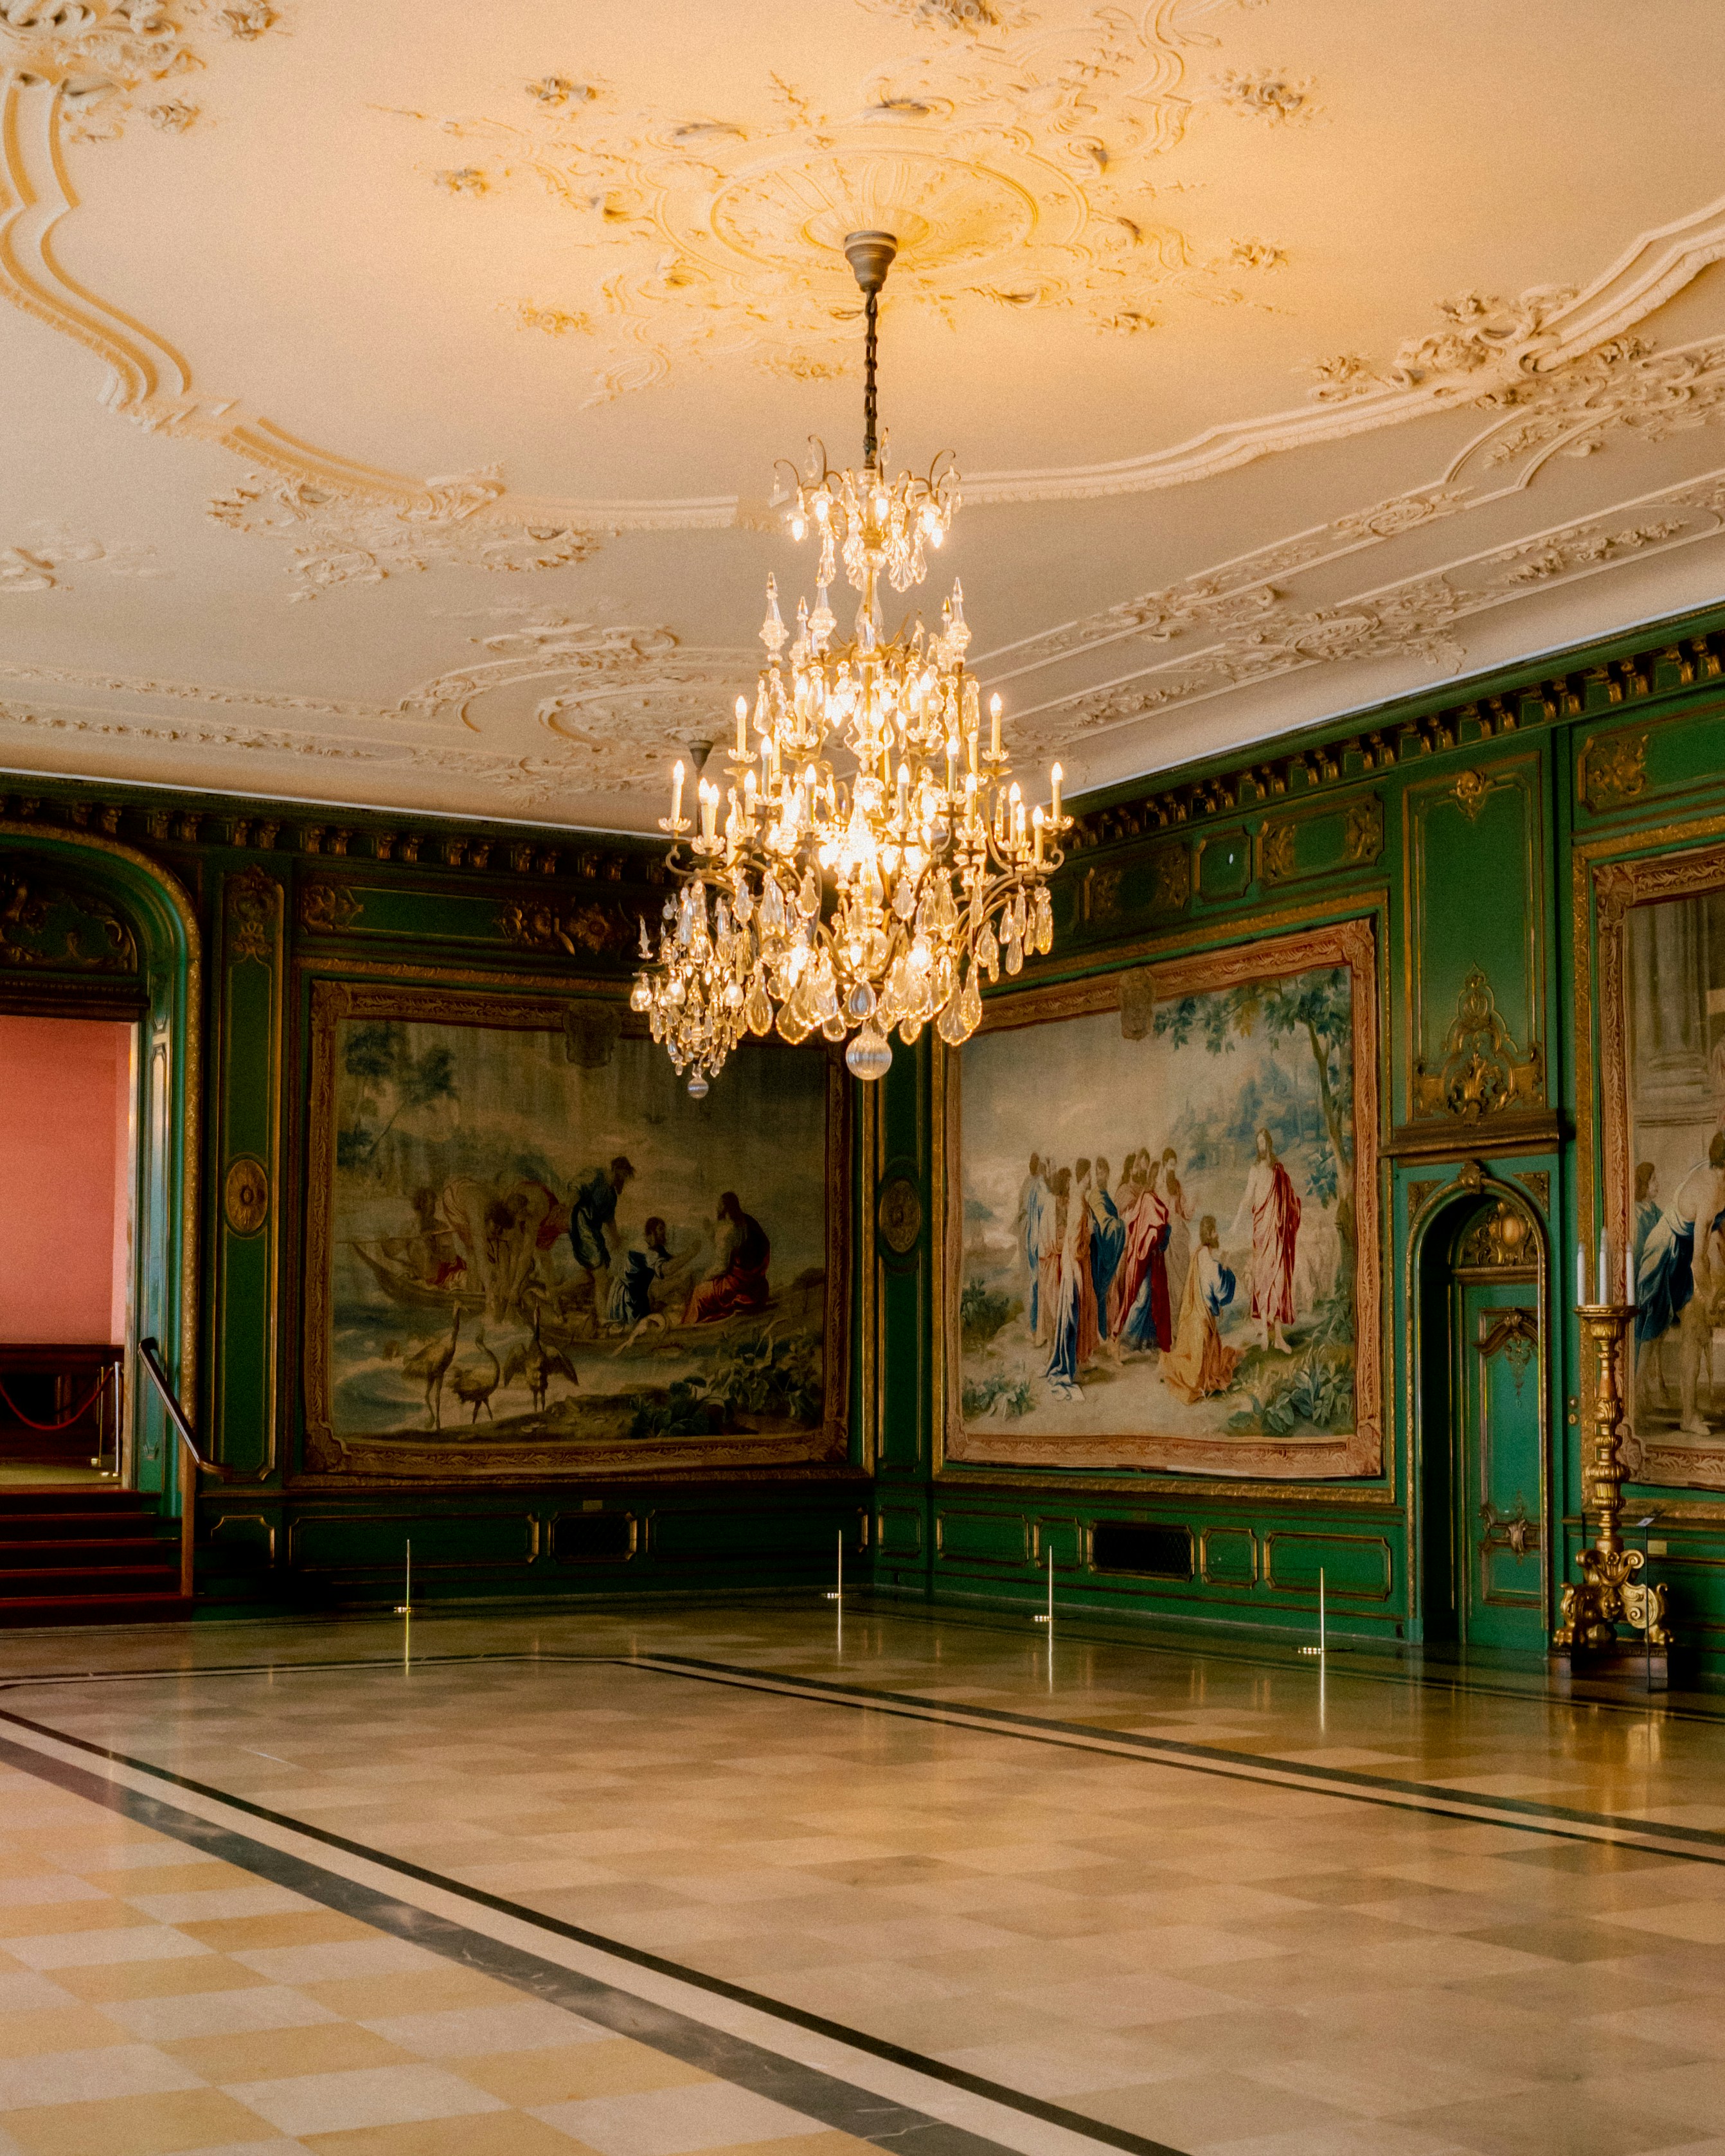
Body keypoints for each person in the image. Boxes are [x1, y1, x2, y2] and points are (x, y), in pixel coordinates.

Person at [1636, 1136, 1725, 1433]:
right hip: (1665, 1250)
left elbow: (1720, 1237)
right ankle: (1634, 1404)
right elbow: (1699, 1260)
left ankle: (1688, 1415)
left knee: (1694, 1330)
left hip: (1684, 1250)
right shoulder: (1711, 1191)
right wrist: (1711, 1298)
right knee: (1651, 1330)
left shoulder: (1720, 1181)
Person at [1230, 1127, 1302, 1353]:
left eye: (1264, 1142)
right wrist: (1236, 1222)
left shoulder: (1278, 1171)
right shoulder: (1254, 1170)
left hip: (1277, 1232)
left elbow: (1290, 1198)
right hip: (1261, 1231)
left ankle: (1278, 1337)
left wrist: (1291, 1211)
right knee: (1262, 1280)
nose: (1261, 1146)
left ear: (1268, 1144)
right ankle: (1263, 1329)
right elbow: (1247, 1197)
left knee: (1278, 1281)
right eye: (1258, 1143)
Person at [1164, 1215, 1242, 1405]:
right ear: (1210, 1234)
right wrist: (1226, 1269)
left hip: (1194, 1318)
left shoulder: (1198, 1254)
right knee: (1197, 1376)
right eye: (1215, 1231)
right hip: (1201, 1323)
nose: (1218, 1235)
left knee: (1206, 1362)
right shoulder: (1211, 1264)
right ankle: (1177, 1368)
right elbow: (1221, 1292)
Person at [1113, 1157, 1172, 1354]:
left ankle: (1148, 1340)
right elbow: (1147, 1231)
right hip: (1143, 1257)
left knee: (1154, 1296)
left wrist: (1164, 1233)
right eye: (1161, 1175)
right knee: (1143, 1296)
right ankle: (1125, 1341)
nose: (1164, 1179)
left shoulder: (1154, 1198)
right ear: (1155, 1178)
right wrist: (1161, 1233)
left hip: (1153, 1257)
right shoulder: (1147, 1199)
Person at [684, 1191, 771, 1323]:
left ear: (725, 1207)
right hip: (751, 1280)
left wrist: (705, 1278)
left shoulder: (727, 1231)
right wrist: (711, 1234)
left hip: (735, 1284)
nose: (717, 1207)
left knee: (698, 1291)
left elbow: (722, 1267)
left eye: (719, 1204)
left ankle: (689, 1326)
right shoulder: (745, 1221)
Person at [567, 1157, 635, 1323]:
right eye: (624, 1175)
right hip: (582, 1225)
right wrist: (567, 1207)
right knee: (601, 1277)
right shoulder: (596, 1176)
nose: (624, 1180)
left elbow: (609, 1220)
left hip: (594, 1232)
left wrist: (617, 1239)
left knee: (595, 1274)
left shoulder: (612, 1195)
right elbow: (576, 1188)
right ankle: (603, 1319)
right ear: (617, 1170)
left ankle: (556, 1291)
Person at [1042, 1168, 1087, 1399]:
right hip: (1062, 1266)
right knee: (1064, 1315)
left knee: (1068, 1317)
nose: (1072, 1184)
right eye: (1069, 1181)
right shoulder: (1060, 1206)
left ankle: (1069, 1364)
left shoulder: (1073, 1204)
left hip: (1068, 1263)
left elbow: (1072, 1236)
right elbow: (1069, 1241)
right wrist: (1079, 1241)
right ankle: (1064, 1364)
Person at [607, 1216, 674, 1329]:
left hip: (640, 1294)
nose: (663, 1232)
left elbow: (670, 1259)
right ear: (651, 1231)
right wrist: (690, 1253)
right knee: (630, 1328)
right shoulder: (641, 1248)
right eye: (660, 1229)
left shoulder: (657, 1248)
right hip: (627, 1297)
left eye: (664, 1229)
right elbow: (666, 1268)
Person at [1085, 1155, 1125, 1341]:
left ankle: (1104, 1333)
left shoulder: (1106, 1196)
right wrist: (1119, 1226)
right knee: (1098, 1294)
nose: (1100, 1176)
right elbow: (1103, 1223)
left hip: (1105, 1250)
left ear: (1108, 1174)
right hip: (1098, 1253)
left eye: (1103, 1173)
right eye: (1097, 1173)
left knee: (1106, 1296)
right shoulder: (1095, 1196)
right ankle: (1098, 1334)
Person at [1012, 1155, 1051, 1342]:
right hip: (1032, 1238)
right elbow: (1025, 1209)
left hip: (1035, 1238)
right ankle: (1035, 1325)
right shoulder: (1033, 1184)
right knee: (1034, 1281)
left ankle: (1039, 1325)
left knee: (1038, 1281)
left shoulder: (1039, 1184)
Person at [1161, 1147, 1192, 1319]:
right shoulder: (1160, 1186)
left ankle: (1183, 1318)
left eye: (1175, 1165)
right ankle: (1173, 1321)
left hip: (1180, 1234)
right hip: (1168, 1237)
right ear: (1165, 1165)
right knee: (1171, 1281)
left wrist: (1191, 1206)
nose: (1173, 1168)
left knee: (1184, 1276)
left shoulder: (1177, 1185)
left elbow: (1185, 1211)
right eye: (1171, 1165)